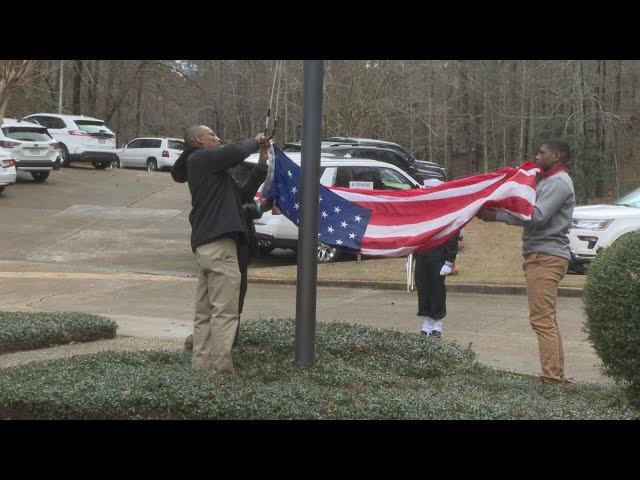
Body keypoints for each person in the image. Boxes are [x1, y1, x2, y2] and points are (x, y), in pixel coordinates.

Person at [170, 125, 269, 373]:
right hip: (220, 247)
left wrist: (262, 164)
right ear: (200, 140)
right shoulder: (201, 158)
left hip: (207, 247)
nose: (218, 138)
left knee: (205, 313)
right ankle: (221, 372)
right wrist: (256, 141)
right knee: (225, 312)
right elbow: (234, 152)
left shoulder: (210, 173)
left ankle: (201, 368)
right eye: (213, 135)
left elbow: (242, 194)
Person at [477, 139, 575, 385]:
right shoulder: (548, 181)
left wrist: (499, 215)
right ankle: (555, 376)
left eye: (542, 152)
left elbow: (537, 215)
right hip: (541, 255)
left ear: (557, 156)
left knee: (542, 320)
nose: (537, 155)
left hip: (546, 257)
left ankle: (551, 380)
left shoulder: (559, 182)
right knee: (546, 319)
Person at [415, 232, 460, 338]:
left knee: (437, 290)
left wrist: (449, 261)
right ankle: (426, 325)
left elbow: (452, 233)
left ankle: (437, 326)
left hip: (439, 254)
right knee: (422, 289)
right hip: (422, 254)